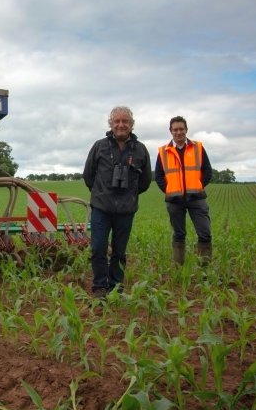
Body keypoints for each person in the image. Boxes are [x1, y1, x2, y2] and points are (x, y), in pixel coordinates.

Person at [83, 106, 151, 298]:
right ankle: (99, 287)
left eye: (125, 121)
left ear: (131, 125)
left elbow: (145, 181)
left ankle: (116, 287)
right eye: (117, 121)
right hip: (101, 208)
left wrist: (129, 195)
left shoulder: (140, 149)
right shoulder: (99, 146)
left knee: (119, 251)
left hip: (126, 209)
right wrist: (100, 193)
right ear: (111, 124)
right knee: (98, 248)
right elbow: (88, 175)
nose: (121, 125)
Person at [155, 116, 213, 266]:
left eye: (181, 129)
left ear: (186, 130)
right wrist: (168, 189)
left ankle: (204, 268)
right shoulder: (163, 151)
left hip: (197, 198)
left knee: (204, 234)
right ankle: (178, 267)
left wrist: (199, 185)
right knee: (179, 235)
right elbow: (158, 175)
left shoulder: (198, 147)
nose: (179, 132)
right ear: (171, 131)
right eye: (175, 129)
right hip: (174, 201)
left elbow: (207, 170)